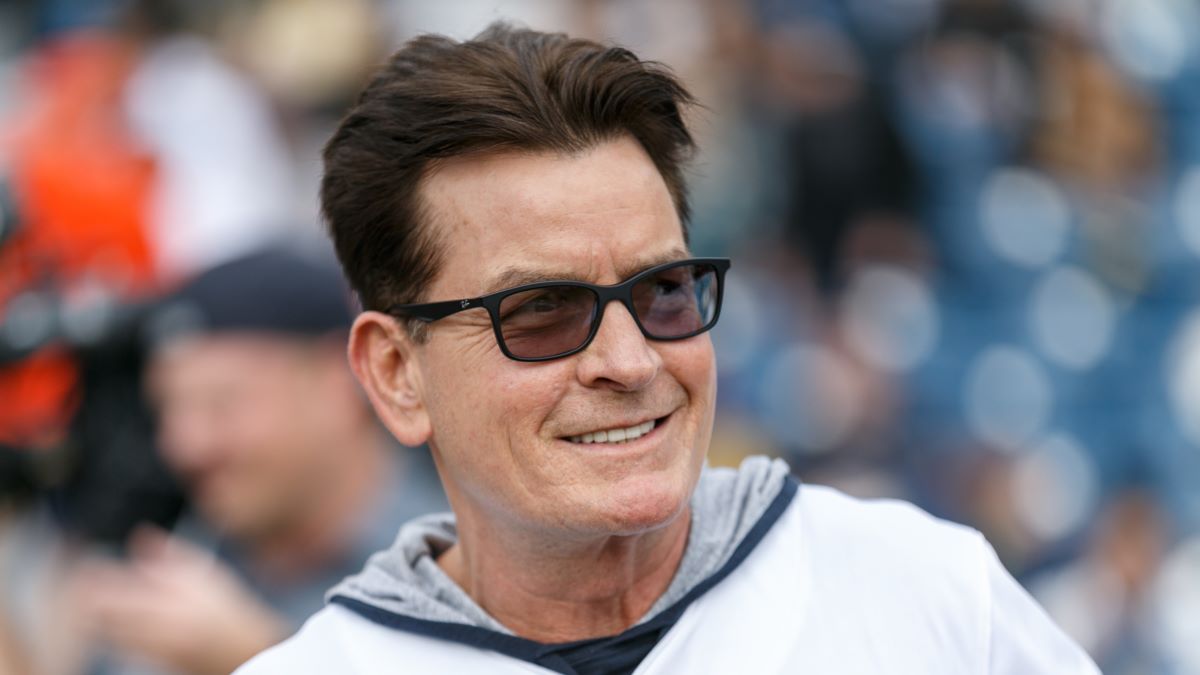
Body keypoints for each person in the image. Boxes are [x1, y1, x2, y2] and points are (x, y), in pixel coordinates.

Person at [237, 24, 1099, 674]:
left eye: (662, 293)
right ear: (396, 374)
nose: (633, 359)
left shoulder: (927, 592)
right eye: (540, 311)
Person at [70, 248, 445, 674]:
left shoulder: (465, 562)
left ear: (341, 383)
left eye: (222, 404)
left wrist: (258, 658)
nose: (185, 445)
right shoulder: (185, 563)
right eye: (166, 408)